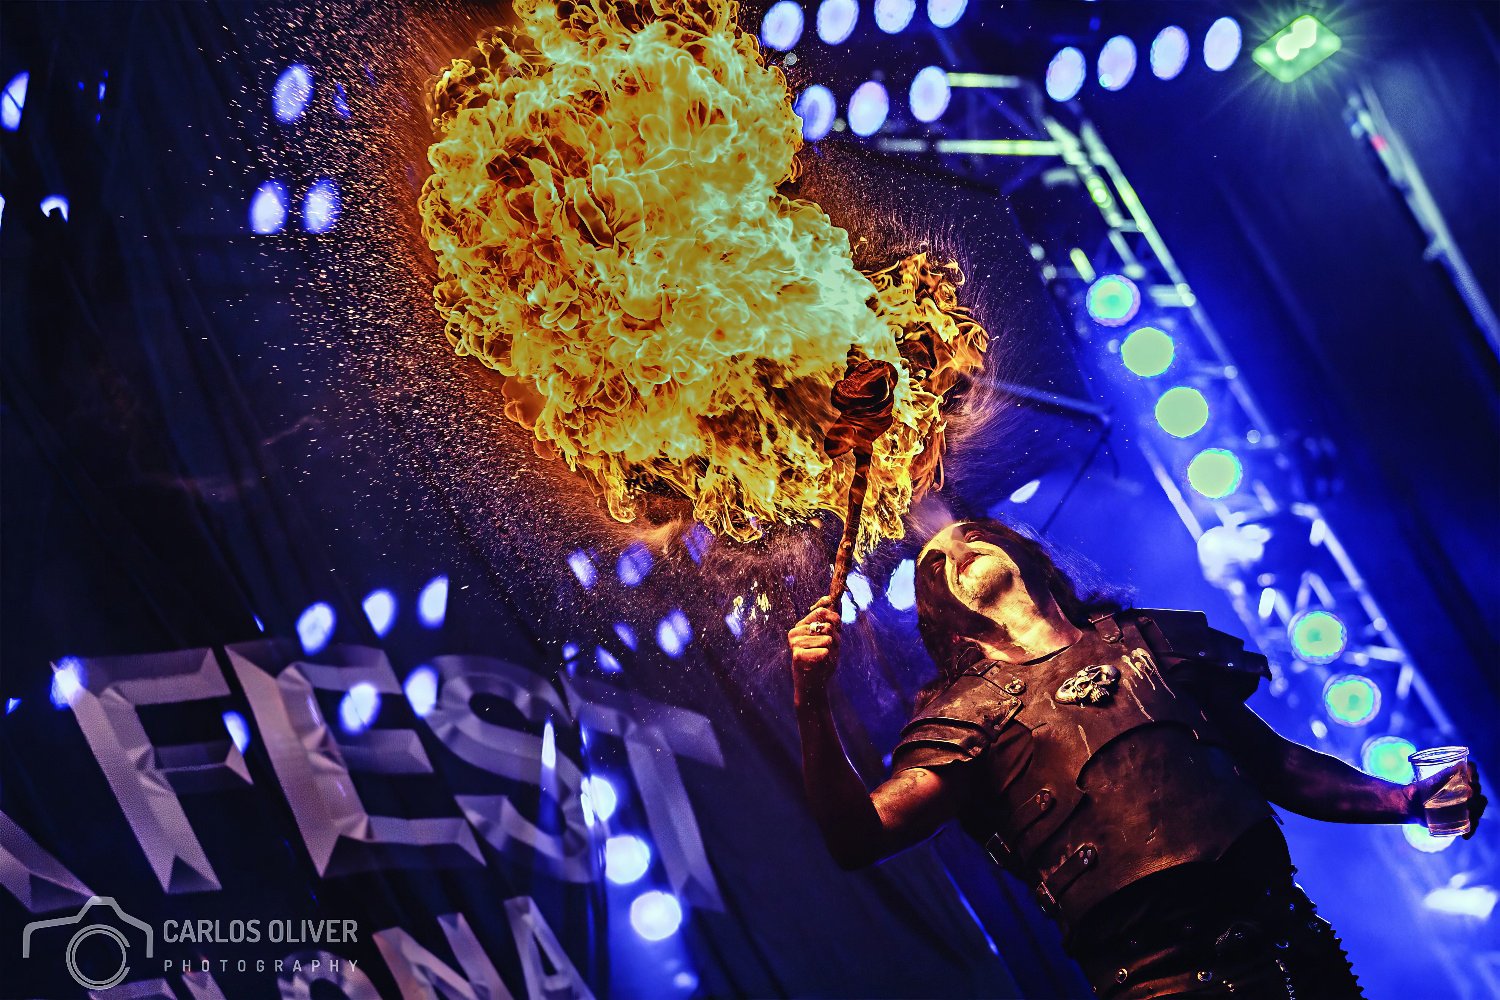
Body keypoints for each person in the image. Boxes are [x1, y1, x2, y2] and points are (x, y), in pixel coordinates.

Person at [788, 517, 1486, 998]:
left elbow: (1272, 764)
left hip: (1294, 946)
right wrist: (811, 699)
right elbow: (859, 836)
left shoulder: (1150, 642)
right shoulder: (964, 715)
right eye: (935, 562)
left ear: (1026, 553)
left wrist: (1404, 799)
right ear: (937, 614)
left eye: (970, 533)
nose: (953, 548)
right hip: (1160, 984)